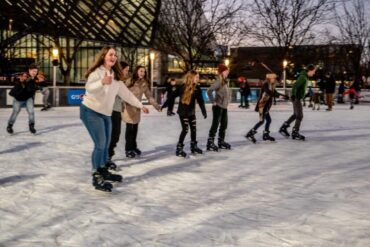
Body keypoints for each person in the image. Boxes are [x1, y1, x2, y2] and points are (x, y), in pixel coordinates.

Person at [80, 46, 149, 192]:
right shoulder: (97, 72)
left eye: (115, 55)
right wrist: (102, 82)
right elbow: (89, 87)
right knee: (100, 143)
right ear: (104, 56)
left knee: (106, 143)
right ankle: (96, 174)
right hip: (90, 111)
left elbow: (127, 95)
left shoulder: (116, 77)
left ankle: (103, 169)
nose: (113, 57)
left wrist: (140, 105)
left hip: (106, 113)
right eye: (111, 54)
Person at [162, 70, 207, 157]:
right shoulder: (182, 87)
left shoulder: (197, 88)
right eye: (197, 77)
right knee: (185, 129)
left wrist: (203, 111)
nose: (198, 79)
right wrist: (164, 105)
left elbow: (201, 101)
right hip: (183, 112)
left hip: (191, 112)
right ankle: (179, 148)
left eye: (198, 77)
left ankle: (193, 146)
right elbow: (172, 96)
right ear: (191, 77)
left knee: (193, 129)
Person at [123, 65, 161, 158]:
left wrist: (156, 106)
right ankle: (128, 149)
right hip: (128, 107)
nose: (142, 73)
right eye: (140, 71)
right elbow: (122, 91)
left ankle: (133, 147)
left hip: (137, 108)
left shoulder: (144, 83)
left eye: (143, 72)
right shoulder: (130, 81)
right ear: (136, 71)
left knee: (135, 128)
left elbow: (149, 96)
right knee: (130, 129)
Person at [246, 73, 288, 143]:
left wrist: (285, 96)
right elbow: (268, 92)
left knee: (268, 120)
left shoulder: (271, 86)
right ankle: (250, 133)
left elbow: (275, 92)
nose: (275, 81)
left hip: (266, 106)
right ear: (270, 79)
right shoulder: (265, 84)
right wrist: (278, 96)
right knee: (261, 121)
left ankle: (266, 134)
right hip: (262, 105)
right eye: (274, 79)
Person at [279, 64, 316, 140]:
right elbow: (295, 86)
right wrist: (293, 95)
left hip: (297, 97)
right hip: (296, 98)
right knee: (299, 115)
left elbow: (300, 89)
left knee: (295, 114)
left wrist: (305, 95)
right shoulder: (303, 77)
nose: (314, 73)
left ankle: (284, 127)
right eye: (313, 71)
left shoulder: (305, 77)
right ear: (310, 70)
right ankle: (295, 132)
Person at [107, 61, 130, 169]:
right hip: (110, 111)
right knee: (113, 135)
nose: (127, 72)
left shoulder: (121, 81)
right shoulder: (113, 80)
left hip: (117, 110)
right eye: (126, 70)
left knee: (115, 135)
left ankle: (108, 156)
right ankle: (106, 158)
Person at [7, 64, 39, 134]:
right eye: (33, 71)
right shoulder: (25, 76)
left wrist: (36, 87)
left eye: (36, 71)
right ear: (29, 71)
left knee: (31, 112)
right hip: (19, 99)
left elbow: (32, 88)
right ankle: (10, 126)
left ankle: (31, 126)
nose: (35, 72)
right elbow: (20, 82)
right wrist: (22, 81)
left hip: (28, 98)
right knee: (15, 112)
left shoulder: (35, 78)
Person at [206, 63, 231, 151]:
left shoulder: (225, 81)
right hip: (218, 107)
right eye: (226, 71)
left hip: (224, 107)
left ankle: (221, 141)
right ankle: (210, 142)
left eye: (227, 70)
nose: (227, 72)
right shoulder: (219, 81)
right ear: (221, 72)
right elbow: (209, 91)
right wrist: (213, 101)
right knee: (215, 125)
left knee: (224, 125)